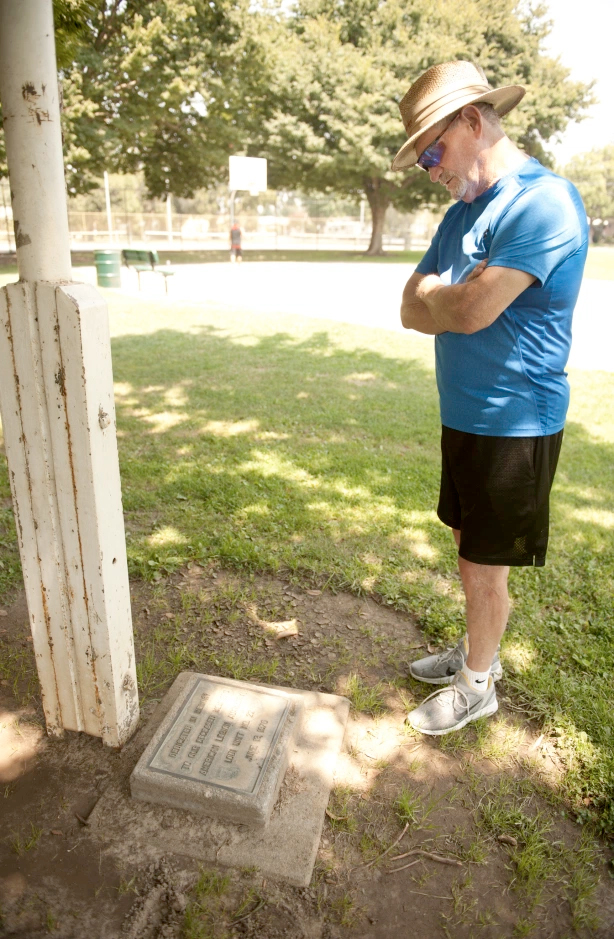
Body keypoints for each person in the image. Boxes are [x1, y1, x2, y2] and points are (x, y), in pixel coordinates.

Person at [393, 61, 588, 736]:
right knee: (466, 545)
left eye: (433, 151)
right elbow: (407, 308)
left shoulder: (544, 202)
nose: (430, 168)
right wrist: (447, 298)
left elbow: (472, 310)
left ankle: (479, 684)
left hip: (517, 420)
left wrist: (443, 298)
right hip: (464, 413)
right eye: (422, 160)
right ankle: (479, 651)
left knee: (482, 560)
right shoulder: (460, 218)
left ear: (474, 122)